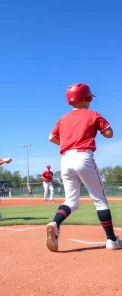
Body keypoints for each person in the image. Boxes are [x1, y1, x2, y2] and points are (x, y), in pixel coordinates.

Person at [46, 82, 122, 252]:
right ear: (88, 98)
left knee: (71, 201)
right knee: (100, 200)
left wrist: (67, 142)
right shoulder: (93, 114)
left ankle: (55, 223)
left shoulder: (63, 118)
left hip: (65, 159)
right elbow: (109, 134)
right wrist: (102, 130)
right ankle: (111, 240)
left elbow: (51, 137)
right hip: (83, 157)